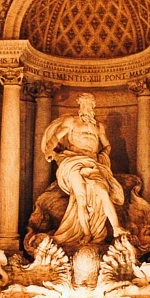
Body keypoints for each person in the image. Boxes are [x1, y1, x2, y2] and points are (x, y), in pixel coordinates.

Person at [41, 93, 127, 246]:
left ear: (94, 106)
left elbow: (106, 145)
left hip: (93, 162)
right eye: (84, 102)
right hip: (73, 160)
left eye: (90, 103)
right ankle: (86, 234)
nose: (87, 106)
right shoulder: (71, 121)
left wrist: (103, 156)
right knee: (80, 198)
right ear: (79, 104)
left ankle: (116, 227)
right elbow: (55, 137)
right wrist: (49, 151)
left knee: (102, 191)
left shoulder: (99, 126)